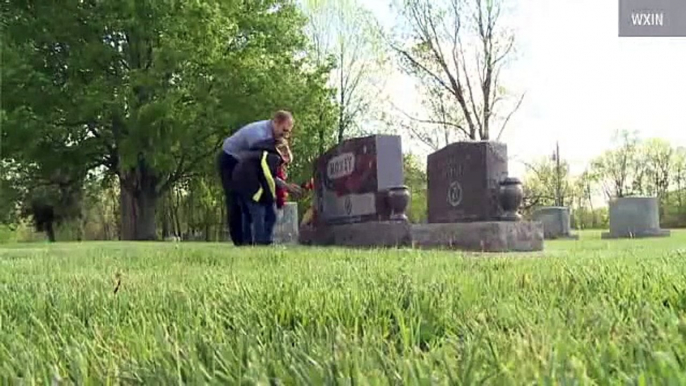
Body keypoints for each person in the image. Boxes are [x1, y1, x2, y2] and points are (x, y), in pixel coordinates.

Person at [217, 110, 302, 245]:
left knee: (249, 205)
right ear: (276, 123)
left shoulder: (270, 139)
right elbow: (263, 172)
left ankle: (249, 243)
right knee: (236, 201)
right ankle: (242, 242)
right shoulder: (260, 137)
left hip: (245, 166)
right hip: (230, 159)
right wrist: (284, 187)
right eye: (284, 130)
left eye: (289, 131)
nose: (286, 134)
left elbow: (263, 171)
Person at [230, 138, 285, 245]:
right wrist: (271, 197)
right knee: (262, 215)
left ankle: (247, 243)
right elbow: (268, 177)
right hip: (251, 187)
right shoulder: (272, 156)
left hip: (238, 185)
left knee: (247, 215)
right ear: (279, 149)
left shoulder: (255, 153)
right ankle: (262, 243)